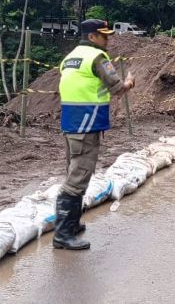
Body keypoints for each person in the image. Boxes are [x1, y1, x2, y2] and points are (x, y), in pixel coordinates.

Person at [55, 19, 135, 251]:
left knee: (74, 170)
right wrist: (130, 81)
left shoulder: (70, 57)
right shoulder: (97, 58)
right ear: (92, 36)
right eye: (104, 35)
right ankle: (63, 234)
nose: (107, 39)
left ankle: (72, 224)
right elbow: (117, 87)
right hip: (87, 122)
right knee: (78, 177)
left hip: (70, 122)